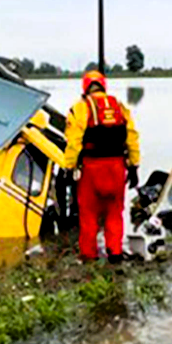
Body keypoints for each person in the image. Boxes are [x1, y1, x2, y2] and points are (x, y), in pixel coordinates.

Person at [62, 69, 141, 263]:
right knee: (115, 212)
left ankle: (89, 256)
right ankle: (115, 253)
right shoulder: (120, 106)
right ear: (104, 86)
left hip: (91, 168)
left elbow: (73, 142)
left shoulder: (80, 108)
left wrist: (69, 168)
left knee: (88, 214)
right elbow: (131, 137)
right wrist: (134, 166)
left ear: (85, 87)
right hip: (117, 167)